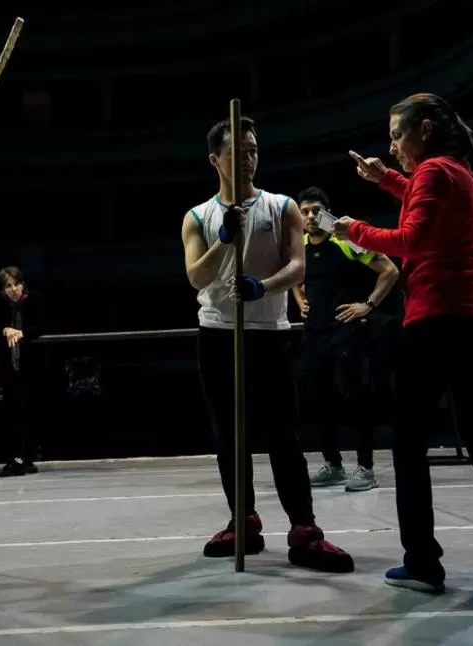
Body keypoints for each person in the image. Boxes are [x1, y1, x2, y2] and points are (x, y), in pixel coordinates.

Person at [333, 92, 473, 593]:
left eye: (396, 134)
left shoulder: (434, 173)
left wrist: (355, 230)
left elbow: (412, 239)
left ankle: (422, 563)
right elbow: (423, 198)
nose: (390, 146)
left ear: (425, 129)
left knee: (409, 443)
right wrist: (384, 180)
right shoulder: (462, 174)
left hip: (435, 319)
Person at [181, 115, 354, 572]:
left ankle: (304, 530)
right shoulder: (198, 216)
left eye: (254, 149)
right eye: (238, 152)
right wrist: (224, 239)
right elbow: (196, 275)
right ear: (215, 160)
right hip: (218, 334)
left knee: (284, 435)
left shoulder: (282, 207)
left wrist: (264, 285)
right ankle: (244, 522)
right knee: (229, 437)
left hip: (270, 336)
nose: (249, 158)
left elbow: (298, 267)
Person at [292, 186, 399, 492]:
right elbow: (295, 279)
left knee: (353, 398)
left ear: (327, 213)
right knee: (317, 398)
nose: (311, 216)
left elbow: (390, 271)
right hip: (315, 333)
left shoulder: (345, 239)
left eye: (317, 210)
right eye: (305, 211)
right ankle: (333, 465)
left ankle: (365, 468)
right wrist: (299, 300)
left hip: (345, 331)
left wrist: (368, 304)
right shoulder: (298, 246)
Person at [0, 266, 45, 477]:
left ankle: (29, 457)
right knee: (10, 412)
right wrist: (6, 330)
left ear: (23, 284)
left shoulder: (35, 300)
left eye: (16, 284)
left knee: (30, 411)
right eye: (8, 286)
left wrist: (21, 333)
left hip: (32, 365)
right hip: (8, 367)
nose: (14, 289)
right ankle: (12, 457)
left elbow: (41, 326)